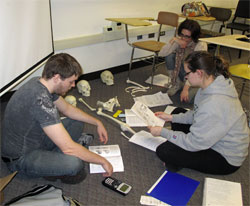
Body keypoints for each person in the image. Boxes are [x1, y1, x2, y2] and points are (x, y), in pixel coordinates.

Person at [1, 53, 113, 184]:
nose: (73, 85)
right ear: (57, 78)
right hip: (20, 159)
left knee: (76, 121)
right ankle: (49, 167)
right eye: (71, 82)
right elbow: (69, 148)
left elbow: (67, 109)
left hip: (36, 139)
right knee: (75, 164)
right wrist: (102, 160)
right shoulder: (40, 101)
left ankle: (54, 158)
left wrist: (97, 122)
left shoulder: (40, 82)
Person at [148, 51, 249, 175]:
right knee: (177, 112)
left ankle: (178, 161)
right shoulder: (211, 85)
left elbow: (194, 143)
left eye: (187, 73)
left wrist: (163, 132)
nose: (185, 77)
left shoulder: (214, 103)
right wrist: (170, 117)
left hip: (225, 157)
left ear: (199, 73)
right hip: (213, 137)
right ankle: (180, 156)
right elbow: (197, 114)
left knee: (165, 150)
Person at [159, 19, 207, 102]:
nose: (183, 38)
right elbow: (162, 53)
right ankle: (177, 84)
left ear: (193, 36)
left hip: (196, 76)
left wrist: (185, 89)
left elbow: (196, 70)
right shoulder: (179, 40)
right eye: (182, 34)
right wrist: (173, 40)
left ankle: (186, 86)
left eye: (187, 36)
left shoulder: (200, 45)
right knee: (169, 56)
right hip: (183, 72)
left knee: (189, 100)